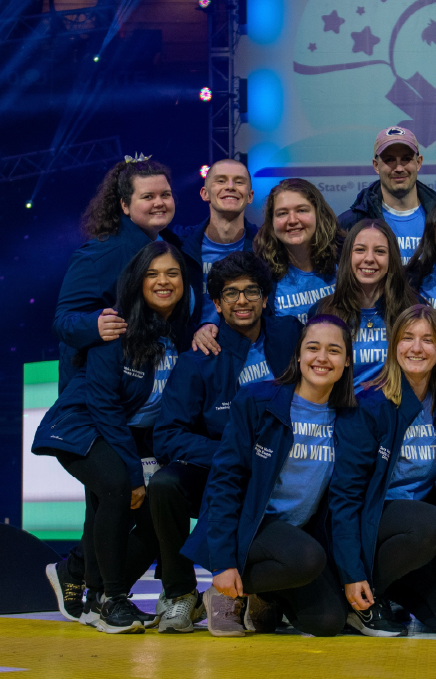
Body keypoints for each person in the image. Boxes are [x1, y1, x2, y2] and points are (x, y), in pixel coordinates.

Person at [33, 242, 192, 634]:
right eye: (152, 274)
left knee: (158, 518)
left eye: (171, 273)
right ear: (138, 282)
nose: (163, 281)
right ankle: (111, 601)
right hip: (82, 425)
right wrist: (135, 473)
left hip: (128, 434)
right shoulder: (117, 327)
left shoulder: (181, 333)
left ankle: (86, 584)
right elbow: (104, 405)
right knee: (120, 488)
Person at [150, 252, 299, 633]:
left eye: (252, 291)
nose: (243, 301)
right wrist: (231, 457)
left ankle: (258, 591)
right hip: (224, 468)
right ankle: (181, 592)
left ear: (266, 298)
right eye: (231, 294)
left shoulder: (291, 335)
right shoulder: (199, 359)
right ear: (216, 304)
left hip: (287, 466)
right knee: (165, 485)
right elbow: (167, 436)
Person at [181, 316, 357, 638]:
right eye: (312, 348)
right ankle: (221, 590)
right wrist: (221, 562)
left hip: (295, 535)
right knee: (307, 557)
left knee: (328, 621)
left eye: (334, 351)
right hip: (250, 525)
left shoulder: (349, 417)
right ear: (298, 355)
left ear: (347, 361)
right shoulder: (257, 400)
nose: (321, 358)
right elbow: (225, 481)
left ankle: (262, 593)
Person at [330, 304, 436, 636]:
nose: (417, 347)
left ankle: (391, 591)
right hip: (375, 519)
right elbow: (345, 498)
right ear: (394, 347)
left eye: (428, 339)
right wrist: (353, 573)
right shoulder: (369, 406)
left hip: (417, 535)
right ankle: (359, 595)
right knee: (427, 521)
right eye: (407, 338)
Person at [54, 157, 181, 391]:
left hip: (156, 394)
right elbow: (63, 321)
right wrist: (95, 325)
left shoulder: (175, 246)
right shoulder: (97, 256)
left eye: (165, 194)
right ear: (124, 205)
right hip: (102, 396)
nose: (159, 203)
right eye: (147, 197)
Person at [313, 219, 418, 389]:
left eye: (380, 251)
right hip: (343, 411)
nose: (369, 259)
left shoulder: (412, 309)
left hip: (396, 409)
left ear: (392, 259)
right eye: (360, 250)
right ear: (348, 257)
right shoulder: (323, 311)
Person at [178, 158, 256, 346]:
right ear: (205, 193)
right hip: (193, 353)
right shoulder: (180, 249)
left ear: (250, 196)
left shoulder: (265, 248)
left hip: (247, 350)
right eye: (221, 180)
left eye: (239, 181)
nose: (230, 186)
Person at [338, 127, 436, 264]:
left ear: (419, 162)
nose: (399, 168)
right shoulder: (350, 223)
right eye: (389, 160)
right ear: (376, 165)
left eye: (406, 159)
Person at [252, 178, 340, 324]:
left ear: (319, 214)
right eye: (282, 213)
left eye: (301, 210)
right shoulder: (259, 274)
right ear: (271, 222)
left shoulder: (344, 259)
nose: (292, 220)